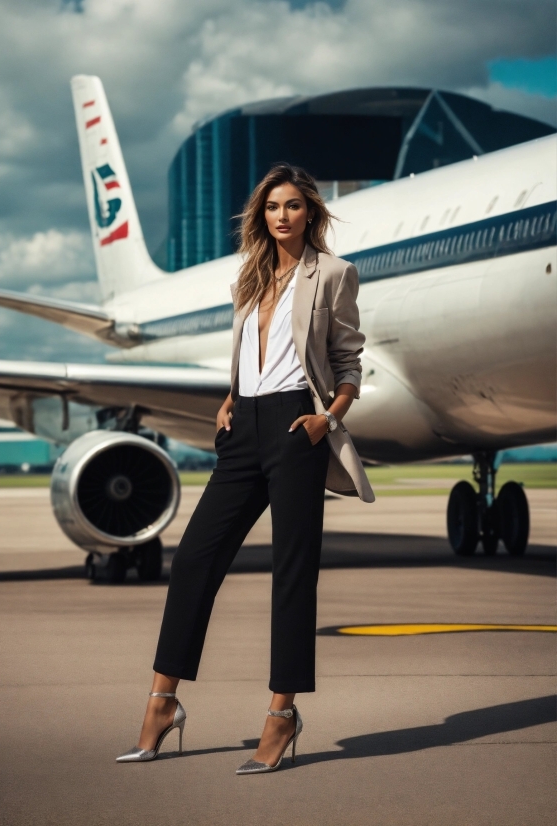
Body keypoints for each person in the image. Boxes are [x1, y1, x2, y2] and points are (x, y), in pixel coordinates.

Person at [116, 163, 374, 773]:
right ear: (262, 216)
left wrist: (327, 420)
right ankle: (162, 702)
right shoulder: (249, 277)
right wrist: (231, 399)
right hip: (243, 430)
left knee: (291, 574)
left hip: (296, 429)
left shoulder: (333, 274)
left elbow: (349, 364)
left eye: (292, 205)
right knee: (196, 561)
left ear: (311, 211)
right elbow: (247, 354)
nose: (281, 216)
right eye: (271, 208)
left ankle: (281, 715)